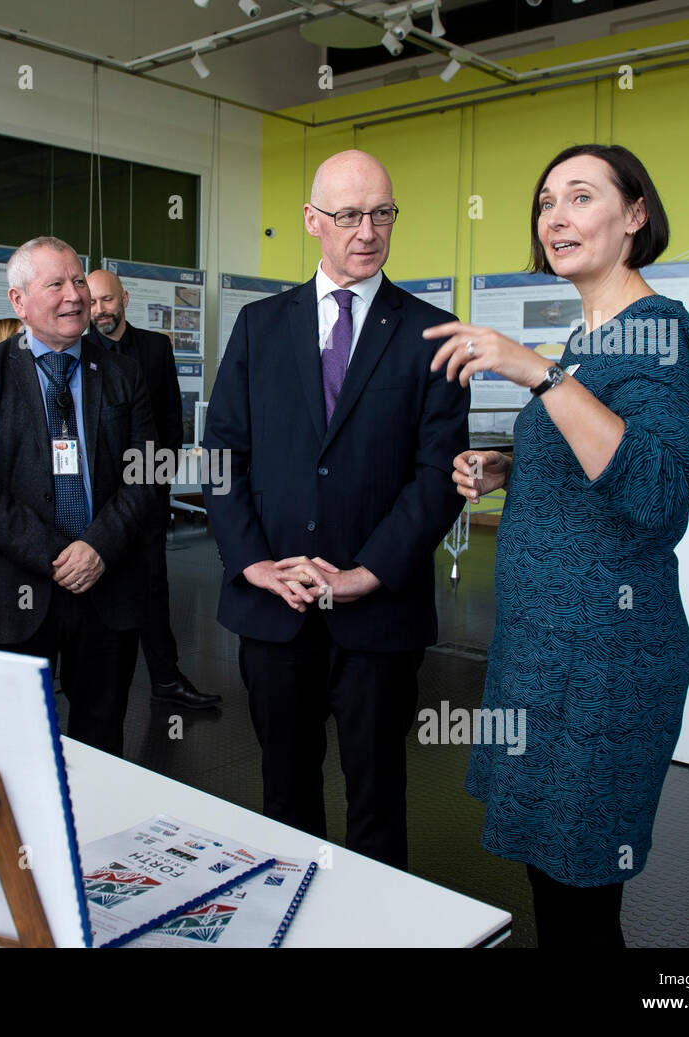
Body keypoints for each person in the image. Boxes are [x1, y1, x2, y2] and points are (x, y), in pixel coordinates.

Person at [426, 144, 689, 947]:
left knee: (580, 896)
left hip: (604, 662)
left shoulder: (658, 332)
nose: (556, 217)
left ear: (636, 214)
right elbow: (597, 458)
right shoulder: (593, 338)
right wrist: (509, 467)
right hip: (544, 651)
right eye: (547, 201)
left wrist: (540, 375)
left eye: (582, 197)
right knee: (551, 876)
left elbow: (655, 493)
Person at [202, 149, 469, 870]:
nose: (367, 230)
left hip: (377, 614)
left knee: (378, 799)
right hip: (275, 609)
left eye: (382, 212)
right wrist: (253, 562)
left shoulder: (432, 333)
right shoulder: (259, 327)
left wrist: (367, 573)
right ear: (312, 221)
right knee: (284, 798)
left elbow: (438, 475)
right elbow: (223, 453)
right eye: (349, 214)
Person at [0, 237, 157, 756]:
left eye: (79, 280)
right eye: (55, 284)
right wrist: (55, 554)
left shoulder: (123, 372)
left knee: (101, 740)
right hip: (12, 587)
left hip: (107, 584)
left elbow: (146, 470)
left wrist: (97, 547)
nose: (74, 296)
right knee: (10, 746)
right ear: (19, 302)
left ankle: (94, 833)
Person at [87, 269, 221, 710]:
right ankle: (90, 680)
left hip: (145, 489)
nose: (98, 311)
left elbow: (168, 422)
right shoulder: (79, 349)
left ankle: (165, 679)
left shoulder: (155, 348)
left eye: (105, 300)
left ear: (123, 298)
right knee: (94, 586)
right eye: (90, 303)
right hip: (94, 499)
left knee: (152, 584)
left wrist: (154, 486)